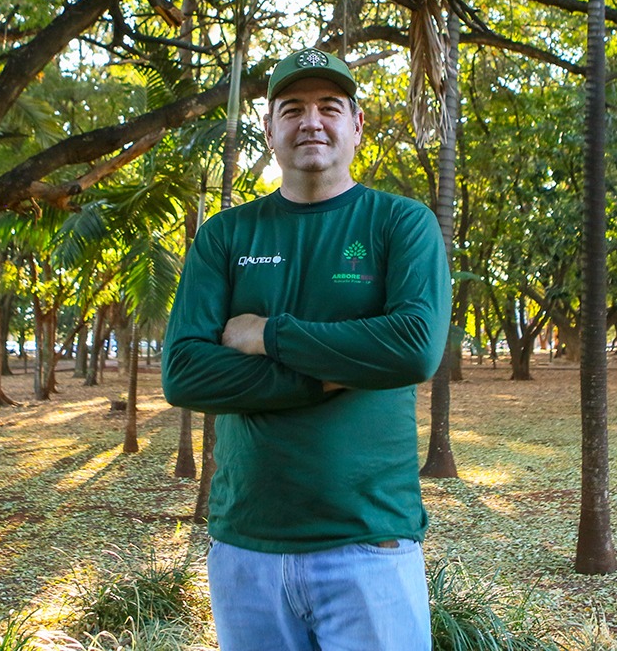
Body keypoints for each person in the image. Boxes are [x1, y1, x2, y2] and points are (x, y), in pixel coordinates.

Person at [161, 47, 451, 651]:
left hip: (369, 543)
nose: (310, 121)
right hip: (246, 547)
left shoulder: (401, 223)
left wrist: (265, 335)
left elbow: (415, 348)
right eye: (291, 108)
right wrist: (330, 375)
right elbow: (185, 373)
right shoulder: (226, 235)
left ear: (357, 125)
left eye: (329, 107)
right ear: (269, 129)